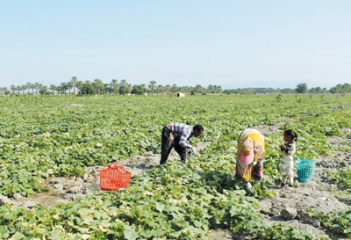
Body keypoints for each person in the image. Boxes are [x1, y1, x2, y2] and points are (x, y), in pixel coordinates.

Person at [235, 128, 265, 193]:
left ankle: (257, 179)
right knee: (241, 166)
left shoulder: (259, 146)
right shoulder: (241, 147)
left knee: (258, 164)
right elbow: (241, 165)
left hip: (257, 137)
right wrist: (246, 182)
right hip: (244, 135)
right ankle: (241, 179)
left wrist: (255, 161)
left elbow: (260, 158)